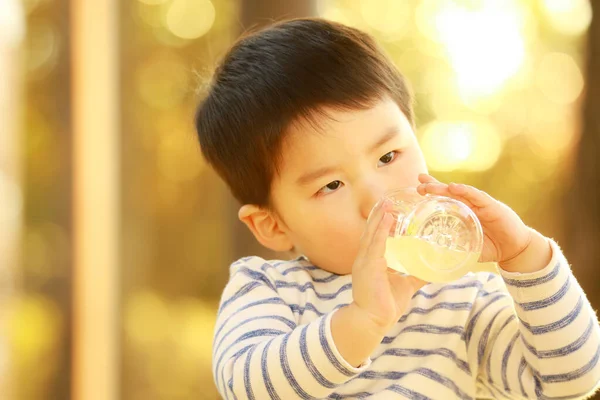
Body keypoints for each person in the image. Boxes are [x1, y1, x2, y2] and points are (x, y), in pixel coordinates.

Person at [195, 17, 600, 399]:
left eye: (388, 157)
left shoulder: (463, 300)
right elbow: (246, 386)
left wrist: (527, 256)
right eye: (331, 185)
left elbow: (568, 379)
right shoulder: (269, 291)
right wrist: (362, 321)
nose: (377, 197)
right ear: (272, 225)